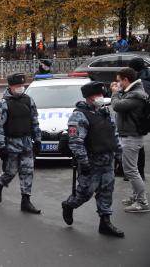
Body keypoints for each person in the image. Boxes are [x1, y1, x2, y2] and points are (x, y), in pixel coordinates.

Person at [61, 81, 124, 237]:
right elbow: (76, 142)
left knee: (106, 192)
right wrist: (84, 162)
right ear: (89, 97)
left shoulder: (104, 112)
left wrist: (119, 156)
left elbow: (113, 135)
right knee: (84, 194)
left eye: (102, 95)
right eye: (98, 95)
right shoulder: (79, 115)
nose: (101, 98)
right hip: (91, 162)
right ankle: (69, 205)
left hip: (107, 161)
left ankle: (105, 223)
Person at [0, 73, 42, 214]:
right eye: (17, 86)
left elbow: (35, 121)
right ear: (10, 87)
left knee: (28, 171)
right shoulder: (2, 104)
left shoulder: (29, 100)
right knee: (11, 171)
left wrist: (37, 139)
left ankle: (26, 201)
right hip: (11, 143)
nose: (21, 88)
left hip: (26, 142)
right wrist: (1, 147)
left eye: (22, 85)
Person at [111, 68, 149, 212]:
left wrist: (115, 92)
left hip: (131, 137)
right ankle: (135, 196)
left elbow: (117, 106)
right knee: (132, 169)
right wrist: (119, 91)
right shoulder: (133, 92)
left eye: (119, 80)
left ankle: (143, 202)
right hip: (130, 136)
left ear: (126, 80)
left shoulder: (136, 95)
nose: (118, 83)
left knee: (131, 171)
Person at [129, 57, 150, 181]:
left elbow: (141, 100)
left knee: (137, 143)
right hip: (145, 116)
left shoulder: (142, 82)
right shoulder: (146, 76)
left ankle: (139, 174)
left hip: (142, 117)